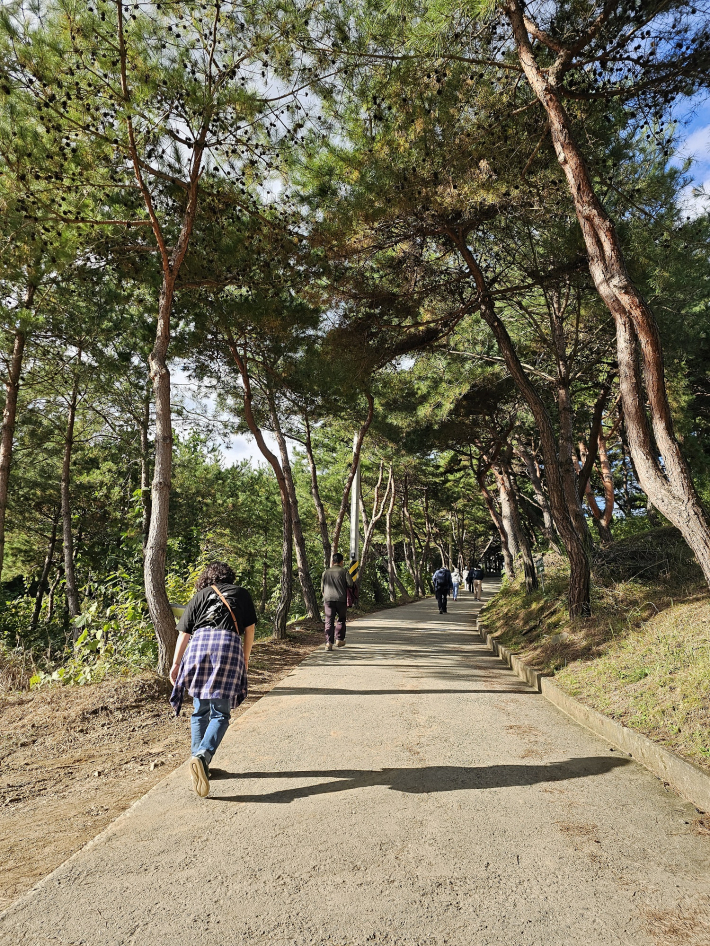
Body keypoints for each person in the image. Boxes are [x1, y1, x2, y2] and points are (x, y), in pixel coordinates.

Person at [169, 562, 256, 798]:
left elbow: (184, 633)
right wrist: (245, 659)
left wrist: (176, 663)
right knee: (220, 713)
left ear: (207, 578)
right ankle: (202, 757)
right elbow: (249, 630)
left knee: (200, 711)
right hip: (227, 647)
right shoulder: (241, 593)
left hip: (198, 648)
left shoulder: (200, 596)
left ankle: (199, 764)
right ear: (230, 577)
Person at [321, 552, 355, 651]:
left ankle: (328, 643)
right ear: (341, 561)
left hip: (328, 599)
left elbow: (322, 588)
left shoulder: (325, 572)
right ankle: (339, 640)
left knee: (329, 620)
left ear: (333, 561)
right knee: (341, 619)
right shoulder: (344, 572)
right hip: (341, 599)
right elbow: (350, 584)